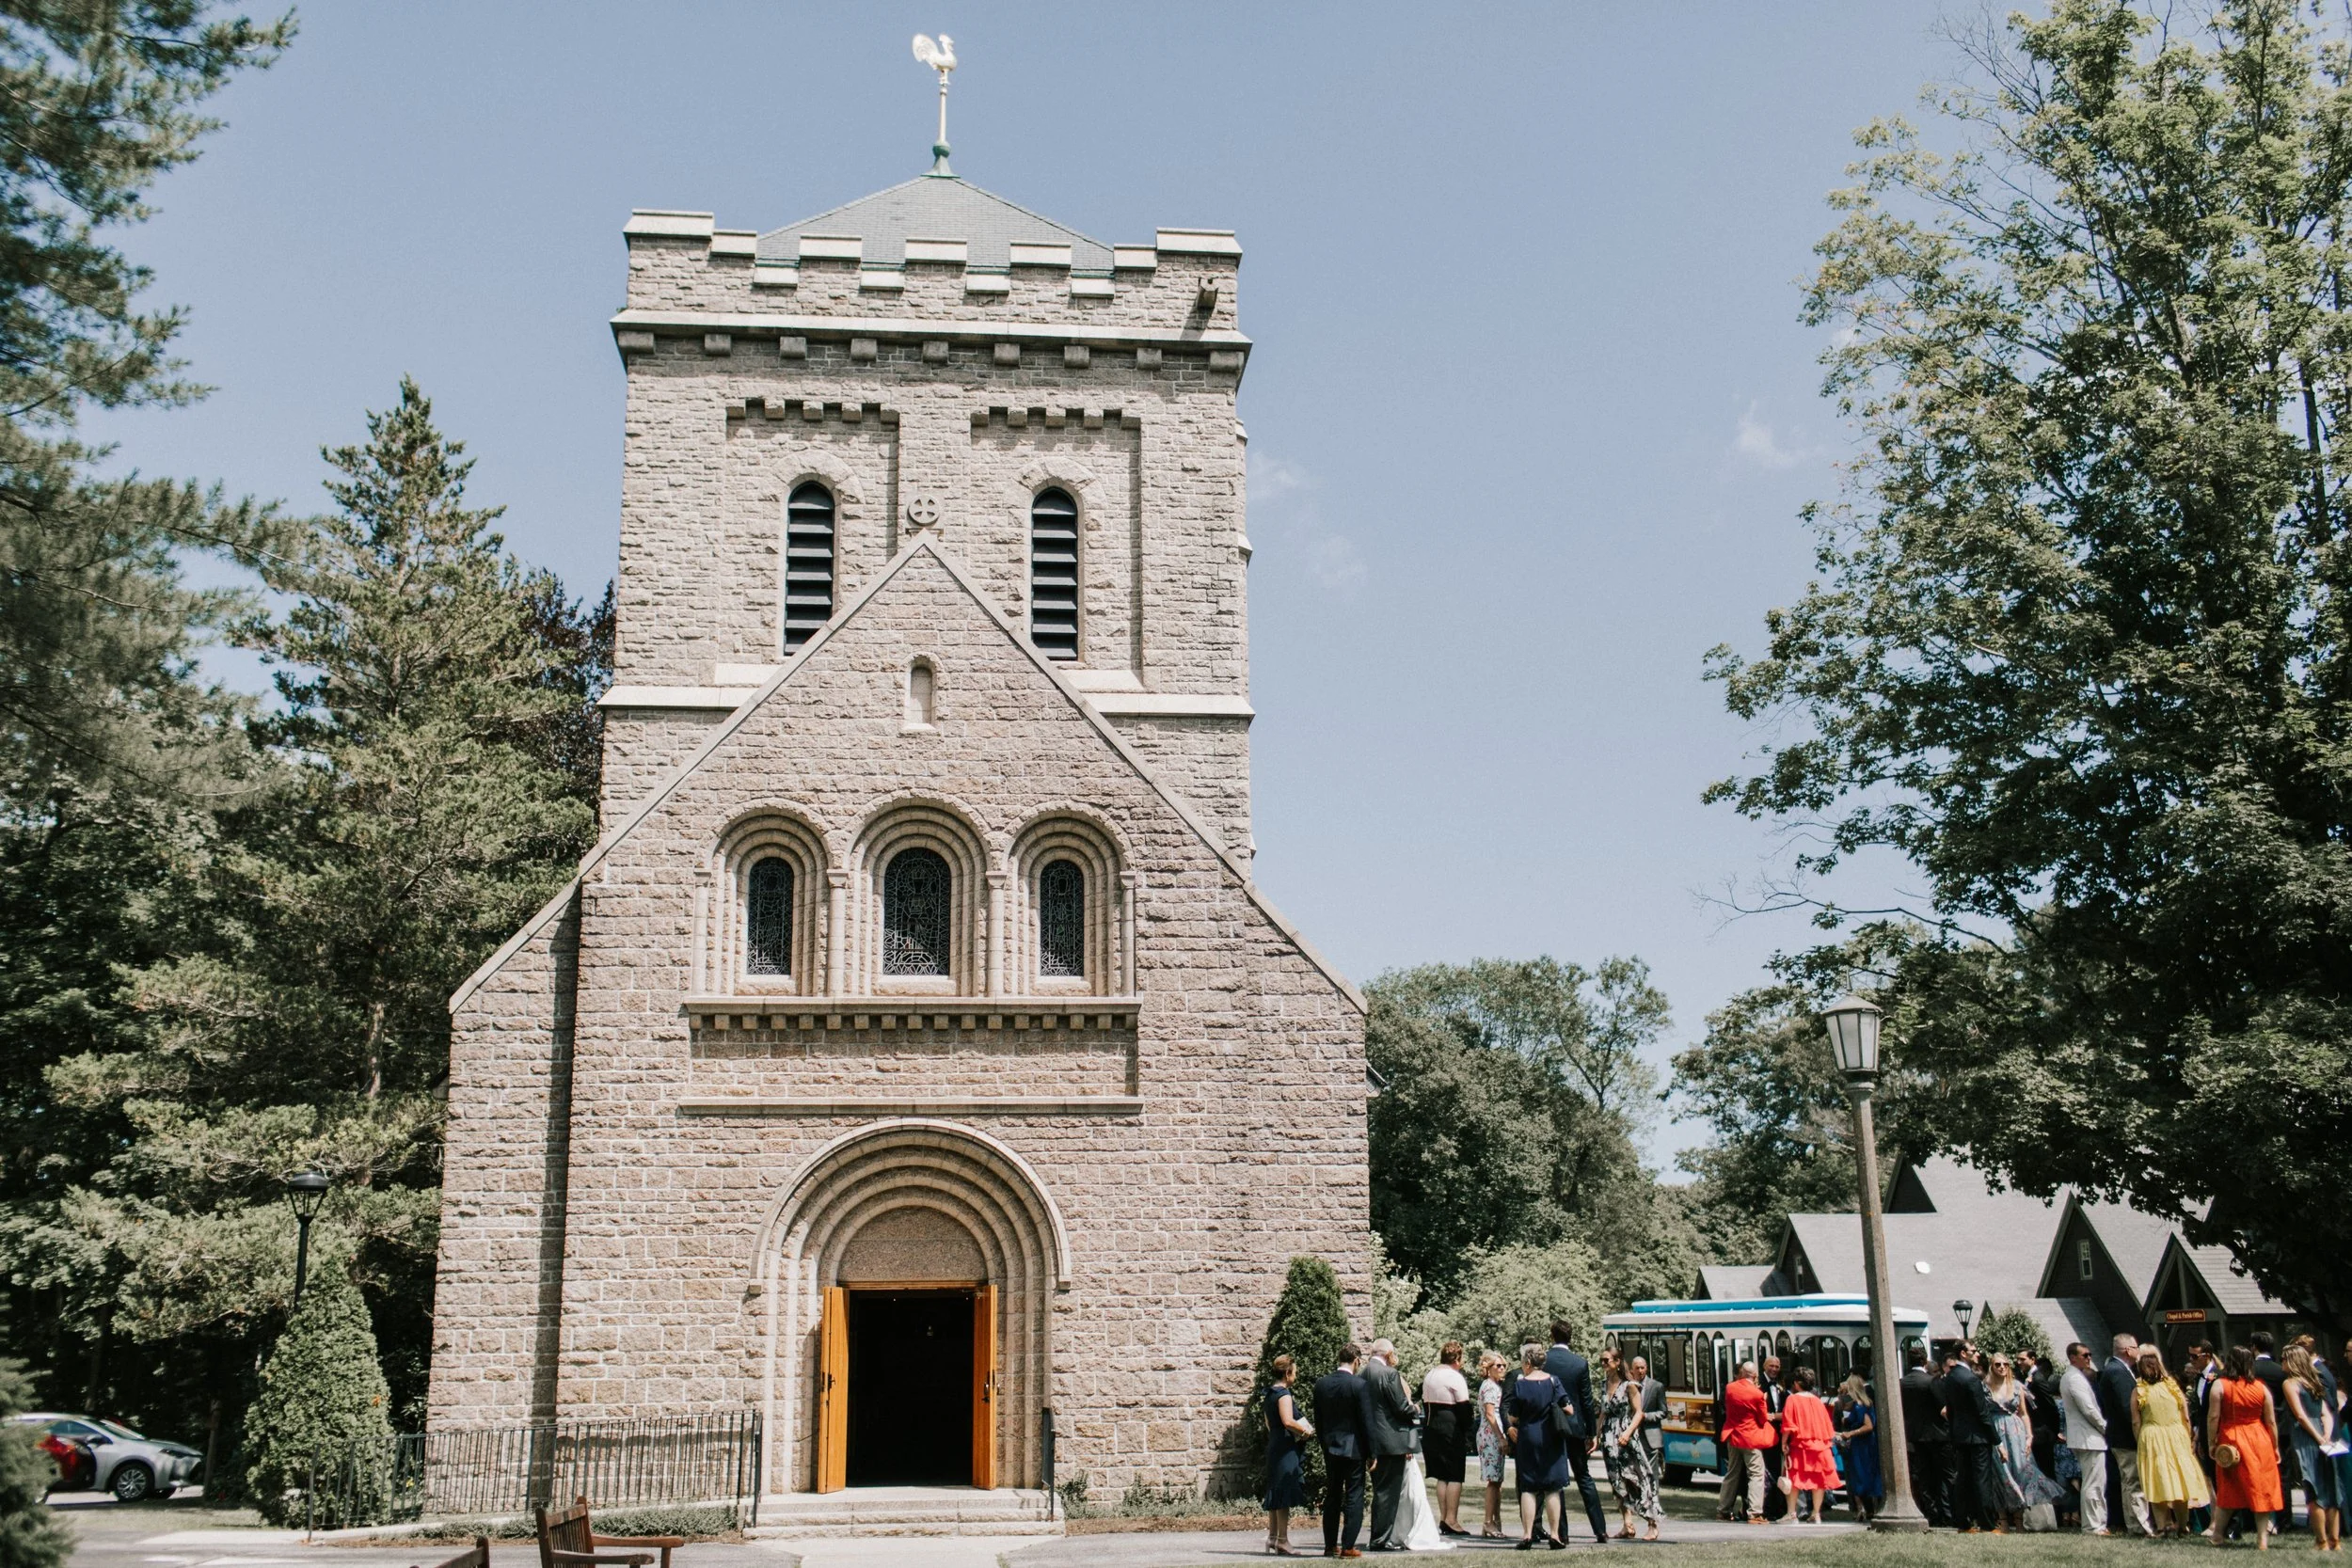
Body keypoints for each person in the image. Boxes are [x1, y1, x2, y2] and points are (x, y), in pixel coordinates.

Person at [2210, 1342, 2285, 1551]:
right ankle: (2262, 1539)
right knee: (2260, 1489)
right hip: (2259, 1438)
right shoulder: (2261, 1387)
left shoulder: (2220, 1385)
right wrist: (2275, 1446)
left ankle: (2217, 1535)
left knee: (2228, 1490)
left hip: (2231, 1438)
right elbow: (2270, 1421)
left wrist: (2211, 1442)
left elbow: (2213, 1416)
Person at [1540, 1322, 1609, 1545]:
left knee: (1556, 1480)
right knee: (1584, 1478)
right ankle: (1600, 1530)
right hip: (1576, 1426)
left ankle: (1562, 1532)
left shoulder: (1544, 1361)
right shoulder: (1580, 1363)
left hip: (1551, 1427)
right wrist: (1592, 1432)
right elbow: (1587, 1401)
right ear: (1570, 1337)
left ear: (1552, 1336)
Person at [2130, 1346, 2208, 1537]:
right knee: (2180, 1479)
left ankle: (2162, 1526)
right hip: (2176, 1435)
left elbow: (2135, 1420)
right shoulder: (2173, 1387)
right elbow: (2186, 1417)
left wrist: (2139, 1439)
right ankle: (2183, 1526)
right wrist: (2187, 1436)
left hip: (2152, 1435)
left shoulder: (2139, 1389)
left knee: (2157, 1480)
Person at [1987, 1351, 2067, 1526]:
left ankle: (2019, 1519)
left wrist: (2029, 1436)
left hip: (2016, 1432)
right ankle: (2003, 1521)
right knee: (2000, 1474)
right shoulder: (1986, 1387)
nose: (2002, 1367)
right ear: (1991, 1367)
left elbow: (2024, 1413)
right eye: (1998, 1364)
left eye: (2005, 1364)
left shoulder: (2016, 1386)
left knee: (2021, 1471)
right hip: (1996, 1432)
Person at [1313, 1343, 1377, 1560]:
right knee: (1354, 1495)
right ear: (1356, 1361)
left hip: (1330, 1448)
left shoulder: (1321, 1384)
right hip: (1354, 1450)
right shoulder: (1359, 1385)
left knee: (1332, 1495)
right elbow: (1367, 1423)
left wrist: (1324, 1445)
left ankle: (1330, 1545)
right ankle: (1348, 1545)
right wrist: (1372, 1453)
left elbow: (1318, 1421)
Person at [1506, 1343, 1568, 1552]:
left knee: (1529, 1487)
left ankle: (1527, 1534)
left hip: (1528, 1436)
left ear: (1529, 1363)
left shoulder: (1520, 1384)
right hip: (1551, 1436)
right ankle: (1554, 1534)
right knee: (1553, 1487)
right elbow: (1568, 1407)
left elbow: (1513, 1415)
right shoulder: (1553, 1381)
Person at [1361, 1338, 1421, 1553]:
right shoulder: (1388, 1374)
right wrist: (1414, 1408)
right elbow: (1401, 1407)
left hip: (1371, 1440)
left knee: (1380, 1491)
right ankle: (1380, 1540)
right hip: (1391, 1441)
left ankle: (1378, 1535)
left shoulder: (1363, 1373)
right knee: (1389, 1492)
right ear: (1388, 1353)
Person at [1597, 1348, 1661, 1541]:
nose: (1603, 1364)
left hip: (1626, 1436)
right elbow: (1603, 1412)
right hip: (1609, 1439)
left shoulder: (1629, 1385)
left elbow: (1639, 1412)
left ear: (1617, 1362)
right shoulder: (1603, 1384)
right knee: (1616, 1481)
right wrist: (1596, 1435)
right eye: (1601, 1360)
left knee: (1637, 1478)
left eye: (1606, 1360)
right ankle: (1628, 1524)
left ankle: (1652, 1524)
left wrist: (1627, 1432)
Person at [1945, 1344, 2008, 1533]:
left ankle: (1963, 1523)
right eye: (1974, 1351)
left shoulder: (1951, 1377)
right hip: (1978, 1437)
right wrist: (1997, 1441)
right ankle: (1988, 1524)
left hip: (1960, 1436)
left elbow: (1951, 1410)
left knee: (1963, 1480)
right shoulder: (1971, 1379)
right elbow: (1983, 1414)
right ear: (1963, 1354)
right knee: (1982, 1481)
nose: (1977, 1354)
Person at [2282, 1345, 2340, 1552]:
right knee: (2331, 1489)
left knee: (2313, 1489)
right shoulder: (2314, 1382)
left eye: (2284, 1359)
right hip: (2326, 1434)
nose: (2282, 1364)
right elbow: (2326, 1414)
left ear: (2291, 1361)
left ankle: (2321, 1541)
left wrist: (2316, 1437)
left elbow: (2300, 1415)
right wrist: (2326, 1435)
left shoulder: (2290, 1383)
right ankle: (2335, 1541)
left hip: (2306, 1437)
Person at [2103, 1332, 2154, 1536]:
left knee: (2128, 1482)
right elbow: (2127, 1409)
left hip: (2119, 1437)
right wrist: (2138, 1433)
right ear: (2128, 1350)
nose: (2139, 1351)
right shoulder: (2117, 1371)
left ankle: (2134, 1523)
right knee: (2134, 1481)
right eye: (2136, 1347)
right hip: (2125, 1438)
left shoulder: (2117, 1369)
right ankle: (2140, 1525)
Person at [1263, 1354, 1313, 1557]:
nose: (1296, 1375)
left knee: (1275, 1490)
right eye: (1295, 1372)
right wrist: (1305, 1432)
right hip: (1284, 1447)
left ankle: (1273, 1537)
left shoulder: (1268, 1393)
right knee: (1283, 1491)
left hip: (1275, 1443)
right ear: (1287, 1373)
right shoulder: (1283, 1394)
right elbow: (1287, 1421)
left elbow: (1269, 1424)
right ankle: (1283, 1540)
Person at [1421, 1341, 1472, 1539]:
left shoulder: (1430, 1375)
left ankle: (1444, 1517)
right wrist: (1466, 1429)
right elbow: (1464, 1408)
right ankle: (1452, 1519)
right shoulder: (1454, 1377)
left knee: (1442, 1475)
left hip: (1431, 1426)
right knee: (1455, 1474)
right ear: (1457, 1359)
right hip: (1450, 1428)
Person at [2061, 1340, 2112, 1534]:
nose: (2089, 1358)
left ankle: (2096, 1523)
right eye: (2085, 1355)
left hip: (2086, 1437)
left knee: (2095, 1482)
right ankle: (2093, 1525)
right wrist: (2104, 1427)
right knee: (2093, 1483)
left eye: (2090, 1355)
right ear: (2073, 1357)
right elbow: (2089, 1409)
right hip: (2088, 1437)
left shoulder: (2074, 1376)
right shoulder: (2073, 1378)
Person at [1716, 1359, 1774, 1524]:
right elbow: (1762, 1419)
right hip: (1750, 1438)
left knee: (1732, 1473)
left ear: (1742, 1372)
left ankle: (1723, 1510)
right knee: (1756, 1473)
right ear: (1755, 1375)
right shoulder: (1757, 1394)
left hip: (1733, 1436)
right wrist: (1762, 1397)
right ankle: (1754, 1513)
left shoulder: (1729, 1388)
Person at [1780, 1365, 1837, 1526]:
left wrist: (1784, 1443)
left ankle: (1792, 1514)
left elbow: (1788, 1424)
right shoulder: (1818, 1401)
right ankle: (1816, 1514)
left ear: (1797, 1383)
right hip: (1820, 1445)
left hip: (1800, 1444)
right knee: (1818, 1480)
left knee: (1794, 1478)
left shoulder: (1792, 1399)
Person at [1902, 1345, 1953, 1526]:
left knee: (1924, 1477)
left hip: (1915, 1436)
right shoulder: (1931, 1381)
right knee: (1945, 1476)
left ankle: (1932, 1514)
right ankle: (1948, 1514)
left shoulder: (1902, 1383)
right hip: (1938, 1435)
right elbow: (1943, 1408)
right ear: (1924, 1361)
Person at [1836, 1372, 1883, 1522]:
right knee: (1868, 1475)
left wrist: (1851, 1432)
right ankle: (1871, 1509)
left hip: (1862, 1444)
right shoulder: (1862, 1402)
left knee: (1861, 1476)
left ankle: (1865, 1509)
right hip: (1865, 1443)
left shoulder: (1860, 1405)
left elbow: (1868, 1426)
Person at [1476, 1351, 1510, 1541]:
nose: (1502, 1368)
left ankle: (1494, 1521)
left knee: (1497, 1481)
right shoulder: (1489, 1387)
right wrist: (1501, 1437)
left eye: (1503, 1365)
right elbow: (1490, 1414)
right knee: (1493, 1480)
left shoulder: (1495, 1386)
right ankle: (1489, 1521)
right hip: (1490, 1435)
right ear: (1488, 1369)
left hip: (1493, 1434)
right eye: (1498, 1365)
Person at [2021, 1348, 2063, 1482]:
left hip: (2042, 1431)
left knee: (2046, 1470)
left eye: (2022, 1359)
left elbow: (2050, 1405)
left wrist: (2053, 1430)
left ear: (2032, 1360)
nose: (2018, 1362)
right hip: (2036, 1430)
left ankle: (2055, 1501)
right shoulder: (2028, 1377)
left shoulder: (2038, 1378)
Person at [1758, 1354, 1790, 1520]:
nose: (1774, 1369)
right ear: (1765, 1366)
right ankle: (1767, 1507)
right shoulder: (1759, 1385)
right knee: (1767, 1470)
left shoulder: (1781, 1385)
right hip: (1764, 1433)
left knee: (1779, 1470)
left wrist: (1777, 1416)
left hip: (1780, 1431)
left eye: (1777, 1367)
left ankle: (1779, 1506)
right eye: (1771, 1366)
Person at [1630, 1355, 1666, 1475]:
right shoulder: (1628, 1387)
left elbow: (1663, 1412)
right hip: (1632, 1433)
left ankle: (1653, 1493)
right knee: (1635, 1469)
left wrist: (1645, 1416)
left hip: (1650, 1435)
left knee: (1651, 1471)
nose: (1640, 1371)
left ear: (1646, 1368)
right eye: (1637, 1368)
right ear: (1632, 1370)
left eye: (1642, 1368)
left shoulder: (1657, 1386)